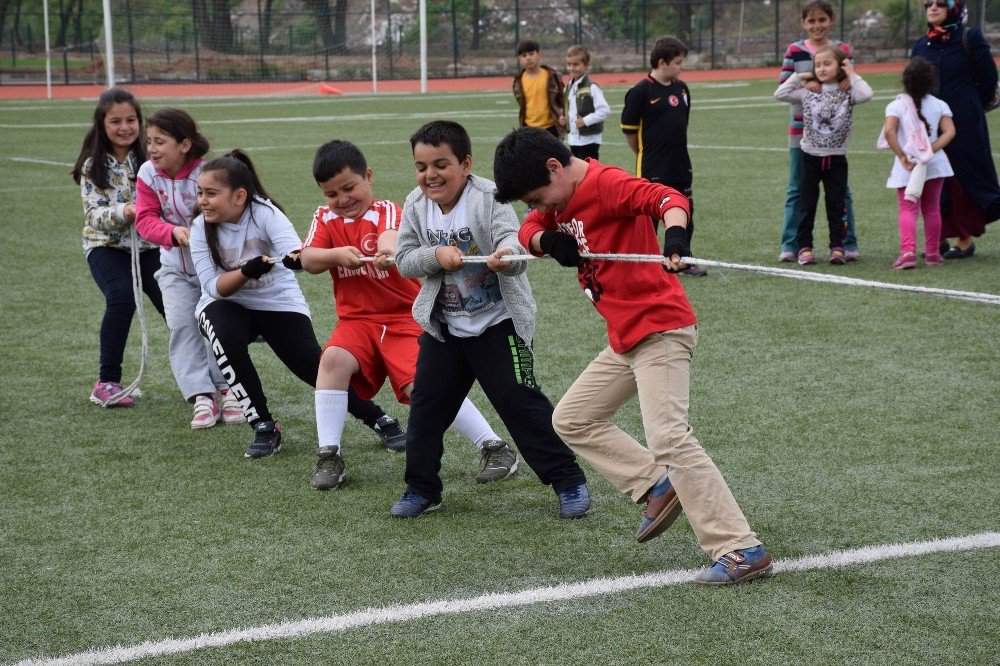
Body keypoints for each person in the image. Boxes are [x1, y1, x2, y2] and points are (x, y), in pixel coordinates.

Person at [493, 126, 771, 586]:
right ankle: (655, 486)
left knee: (669, 438)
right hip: (626, 338)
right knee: (572, 419)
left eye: (539, 196)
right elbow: (528, 229)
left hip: (660, 329)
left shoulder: (607, 184)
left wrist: (676, 238)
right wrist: (547, 240)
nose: (540, 208)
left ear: (555, 167)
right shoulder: (557, 201)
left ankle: (741, 548)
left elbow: (666, 199)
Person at [390, 120, 589, 519]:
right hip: (445, 330)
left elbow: (514, 243)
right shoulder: (415, 204)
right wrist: (435, 256)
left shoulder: (489, 198)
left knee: (521, 403)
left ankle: (568, 481)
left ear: (465, 164)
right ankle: (422, 488)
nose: (431, 175)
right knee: (426, 407)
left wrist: (505, 256)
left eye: (441, 164)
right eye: (422, 166)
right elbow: (403, 259)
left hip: (499, 325)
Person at [301, 139, 518, 490]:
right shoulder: (324, 217)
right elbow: (308, 258)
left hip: (402, 318)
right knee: (332, 362)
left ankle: (494, 446)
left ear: (368, 177)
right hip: (356, 321)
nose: (342, 200)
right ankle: (328, 455)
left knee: (426, 387)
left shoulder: (386, 209)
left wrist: (389, 252)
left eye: (349, 188)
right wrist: (336, 254)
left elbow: (391, 238)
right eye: (331, 194)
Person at [134, 108, 240, 429]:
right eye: (149, 141)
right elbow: (144, 220)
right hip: (173, 268)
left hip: (215, 270)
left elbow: (230, 215)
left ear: (184, 145)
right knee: (181, 326)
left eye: (160, 141)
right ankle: (201, 396)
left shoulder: (210, 173)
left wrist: (201, 229)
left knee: (216, 328)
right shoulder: (147, 174)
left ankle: (229, 389)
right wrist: (172, 233)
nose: (152, 148)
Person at [72, 88, 165, 408]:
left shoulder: (151, 158)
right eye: (115, 121)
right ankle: (107, 382)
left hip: (150, 244)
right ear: (102, 124)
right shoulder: (91, 166)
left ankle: (207, 378)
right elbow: (94, 216)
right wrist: (125, 212)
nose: (124, 127)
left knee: (176, 304)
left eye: (131, 120)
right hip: (106, 246)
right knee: (121, 297)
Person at [912, 0, 1000, 259]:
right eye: (929, 3)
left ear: (954, 7)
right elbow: (914, 81)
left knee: (963, 179)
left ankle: (964, 239)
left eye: (941, 3)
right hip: (930, 125)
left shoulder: (969, 37)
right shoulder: (921, 44)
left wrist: (972, 106)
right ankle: (936, 236)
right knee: (932, 177)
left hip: (965, 123)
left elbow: (988, 78)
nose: (934, 7)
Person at [777, 0, 861, 263]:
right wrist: (809, 82)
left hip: (834, 136)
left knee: (841, 192)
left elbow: (850, 81)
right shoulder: (794, 51)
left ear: (831, 20)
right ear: (804, 24)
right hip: (802, 134)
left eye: (822, 20)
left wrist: (848, 79)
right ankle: (791, 245)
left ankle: (848, 243)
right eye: (811, 21)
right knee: (797, 189)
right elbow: (784, 86)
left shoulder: (843, 50)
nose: (817, 26)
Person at [621, 36, 706, 277]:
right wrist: (643, 153)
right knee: (648, 221)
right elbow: (629, 131)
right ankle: (645, 264)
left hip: (680, 165)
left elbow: (682, 124)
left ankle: (683, 258)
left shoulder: (681, 88)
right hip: (652, 167)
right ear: (662, 62)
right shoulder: (640, 91)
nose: (682, 67)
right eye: (678, 62)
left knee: (685, 213)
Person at [881, 57, 956, 269]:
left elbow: (889, 132)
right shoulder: (940, 104)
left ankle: (908, 252)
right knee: (932, 208)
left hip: (909, 164)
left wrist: (903, 156)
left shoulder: (895, 104)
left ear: (904, 81)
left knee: (908, 207)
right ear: (931, 82)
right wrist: (930, 150)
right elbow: (950, 131)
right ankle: (932, 253)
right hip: (934, 163)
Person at [560, 44, 611, 161]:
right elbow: (572, 110)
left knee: (589, 173)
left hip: (589, 139)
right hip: (574, 139)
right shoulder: (569, 87)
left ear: (587, 64)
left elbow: (604, 110)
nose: (571, 68)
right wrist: (565, 121)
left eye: (576, 64)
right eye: (569, 64)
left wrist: (585, 121)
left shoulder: (592, 87)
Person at [512, 39, 565, 138]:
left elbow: (562, 99)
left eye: (531, 54)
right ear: (519, 59)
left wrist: (562, 115)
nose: (528, 58)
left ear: (540, 54)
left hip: (551, 128)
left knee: (553, 153)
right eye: (524, 56)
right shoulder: (517, 82)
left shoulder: (552, 76)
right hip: (528, 129)